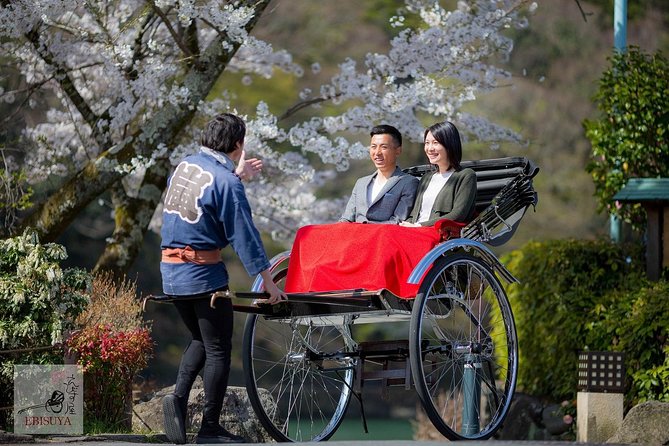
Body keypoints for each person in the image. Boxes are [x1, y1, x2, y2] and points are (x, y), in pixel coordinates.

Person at [160, 113, 286, 444]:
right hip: (201, 273)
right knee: (218, 349)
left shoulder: (186, 165)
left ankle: (176, 399)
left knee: (201, 339)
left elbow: (209, 193)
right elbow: (243, 233)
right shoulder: (227, 181)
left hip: (170, 272)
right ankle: (210, 429)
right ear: (238, 144)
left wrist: (237, 175)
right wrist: (269, 281)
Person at [401, 121, 476, 227]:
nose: (430, 148)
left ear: (450, 144)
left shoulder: (465, 176)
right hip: (415, 230)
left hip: (437, 233)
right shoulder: (426, 178)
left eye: (435, 143)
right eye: (427, 143)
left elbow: (458, 215)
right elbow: (414, 215)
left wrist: (420, 226)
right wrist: (404, 225)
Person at [339, 125, 418, 224]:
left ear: (398, 151)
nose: (377, 152)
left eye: (384, 147)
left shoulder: (408, 182)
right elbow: (347, 218)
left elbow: (397, 221)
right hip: (354, 236)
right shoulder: (361, 183)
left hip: (383, 236)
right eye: (373, 147)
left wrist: (366, 229)